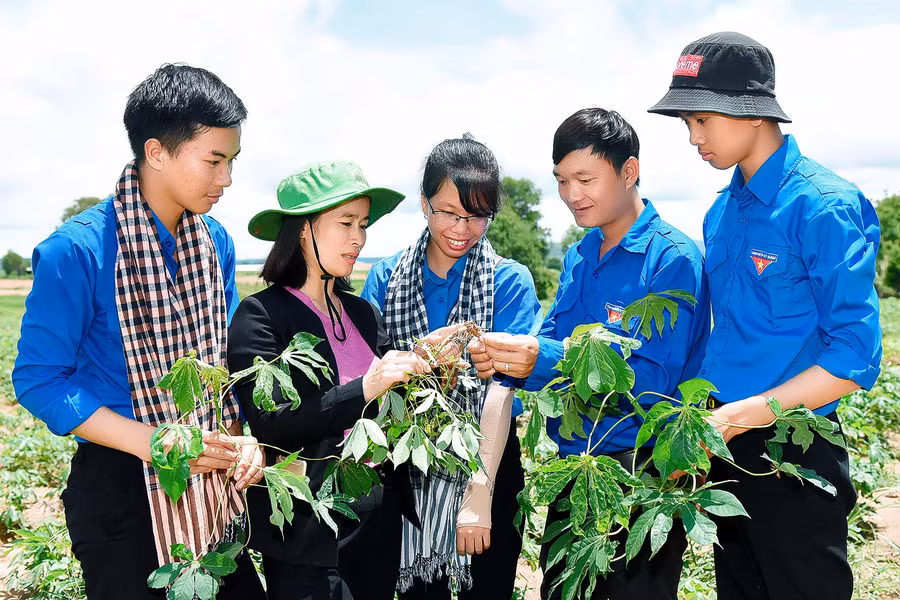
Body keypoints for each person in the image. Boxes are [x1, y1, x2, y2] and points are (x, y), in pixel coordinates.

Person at [12, 64, 265, 598]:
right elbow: (39, 380)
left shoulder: (214, 241)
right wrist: (155, 443)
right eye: (214, 161)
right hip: (120, 487)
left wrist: (244, 438)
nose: (226, 179)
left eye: (232, 161)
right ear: (156, 153)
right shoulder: (77, 251)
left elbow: (225, 358)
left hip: (208, 476)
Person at [647, 31, 882, 600]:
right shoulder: (721, 214)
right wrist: (707, 421)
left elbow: (854, 355)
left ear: (751, 113)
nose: (693, 138)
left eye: (701, 120)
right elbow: (722, 338)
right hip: (727, 444)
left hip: (793, 446)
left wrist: (743, 416)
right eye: (686, 126)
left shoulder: (822, 205)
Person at [468, 108, 710, 600]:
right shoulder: (581, 255)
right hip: (573, 467)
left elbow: (653, 381)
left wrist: (543, 358)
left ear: (629, 171)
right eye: (561, 180)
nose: (571, 195)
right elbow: (555, 337)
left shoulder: (673, 259)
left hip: (642, 473)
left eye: (585, 178)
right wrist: (515, 357)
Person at [228, 160, 426, 600]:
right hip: (310, 533)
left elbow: (393, 409)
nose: (359, 237)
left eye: (364, 224)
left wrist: (426, 364)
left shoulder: (362, 313)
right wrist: (367, 387)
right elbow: (273, 423)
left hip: (377, 524)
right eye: (346, 223)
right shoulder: (261, 315)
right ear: (303, 229)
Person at [361, 134, 542, 599]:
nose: (461, 228)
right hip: (406, 468)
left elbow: (502, 390)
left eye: (477, 215)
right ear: (424, 203)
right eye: (448, 212)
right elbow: (371, 377)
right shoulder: (386, 277)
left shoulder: (507, 280)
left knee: (488, 587)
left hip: (490, 460)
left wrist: (480, 489)